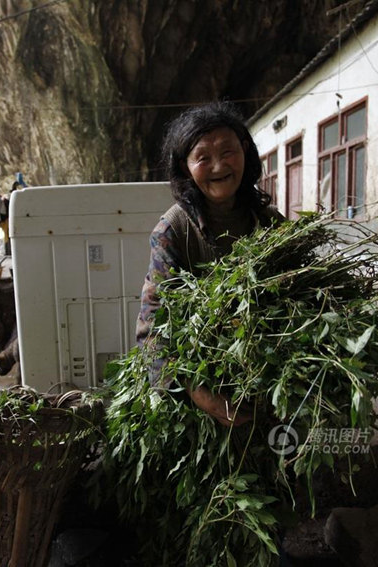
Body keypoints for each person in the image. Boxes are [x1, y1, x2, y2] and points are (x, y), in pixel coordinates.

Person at [136, 101, 285, 426]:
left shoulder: (272, 226)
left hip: (271, 391)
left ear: (245, 150)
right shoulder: (173, 233)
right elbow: (152, 333)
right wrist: (198, 393)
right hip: (200, 402)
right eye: (203, 157)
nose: (218, 165)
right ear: (185, 166)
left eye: (228, 151)